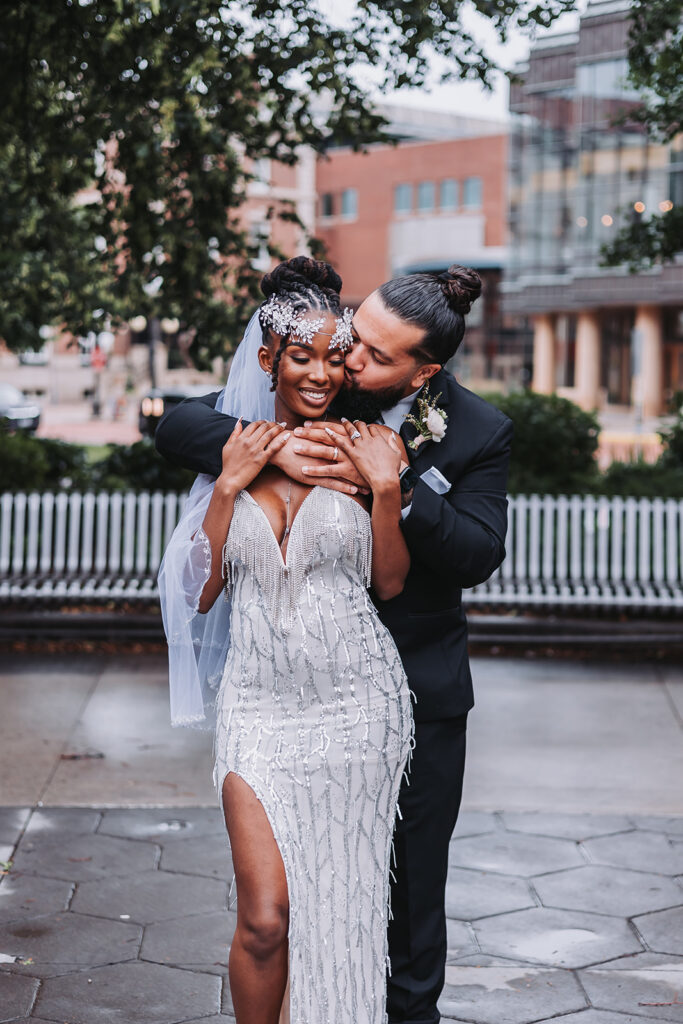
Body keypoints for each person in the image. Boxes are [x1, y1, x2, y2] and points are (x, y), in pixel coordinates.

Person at [156, 259, 513, 1024]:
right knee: (272, 912)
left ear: (424, 371)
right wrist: (270, 451)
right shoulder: (324, 371)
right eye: (357, 340)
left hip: (405, 689)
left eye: (375, 355)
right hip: (277, 690)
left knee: (407, 907)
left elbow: (480, 552)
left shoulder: (479, 431)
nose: (350, 362)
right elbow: (182, 422)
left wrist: (399, 488)